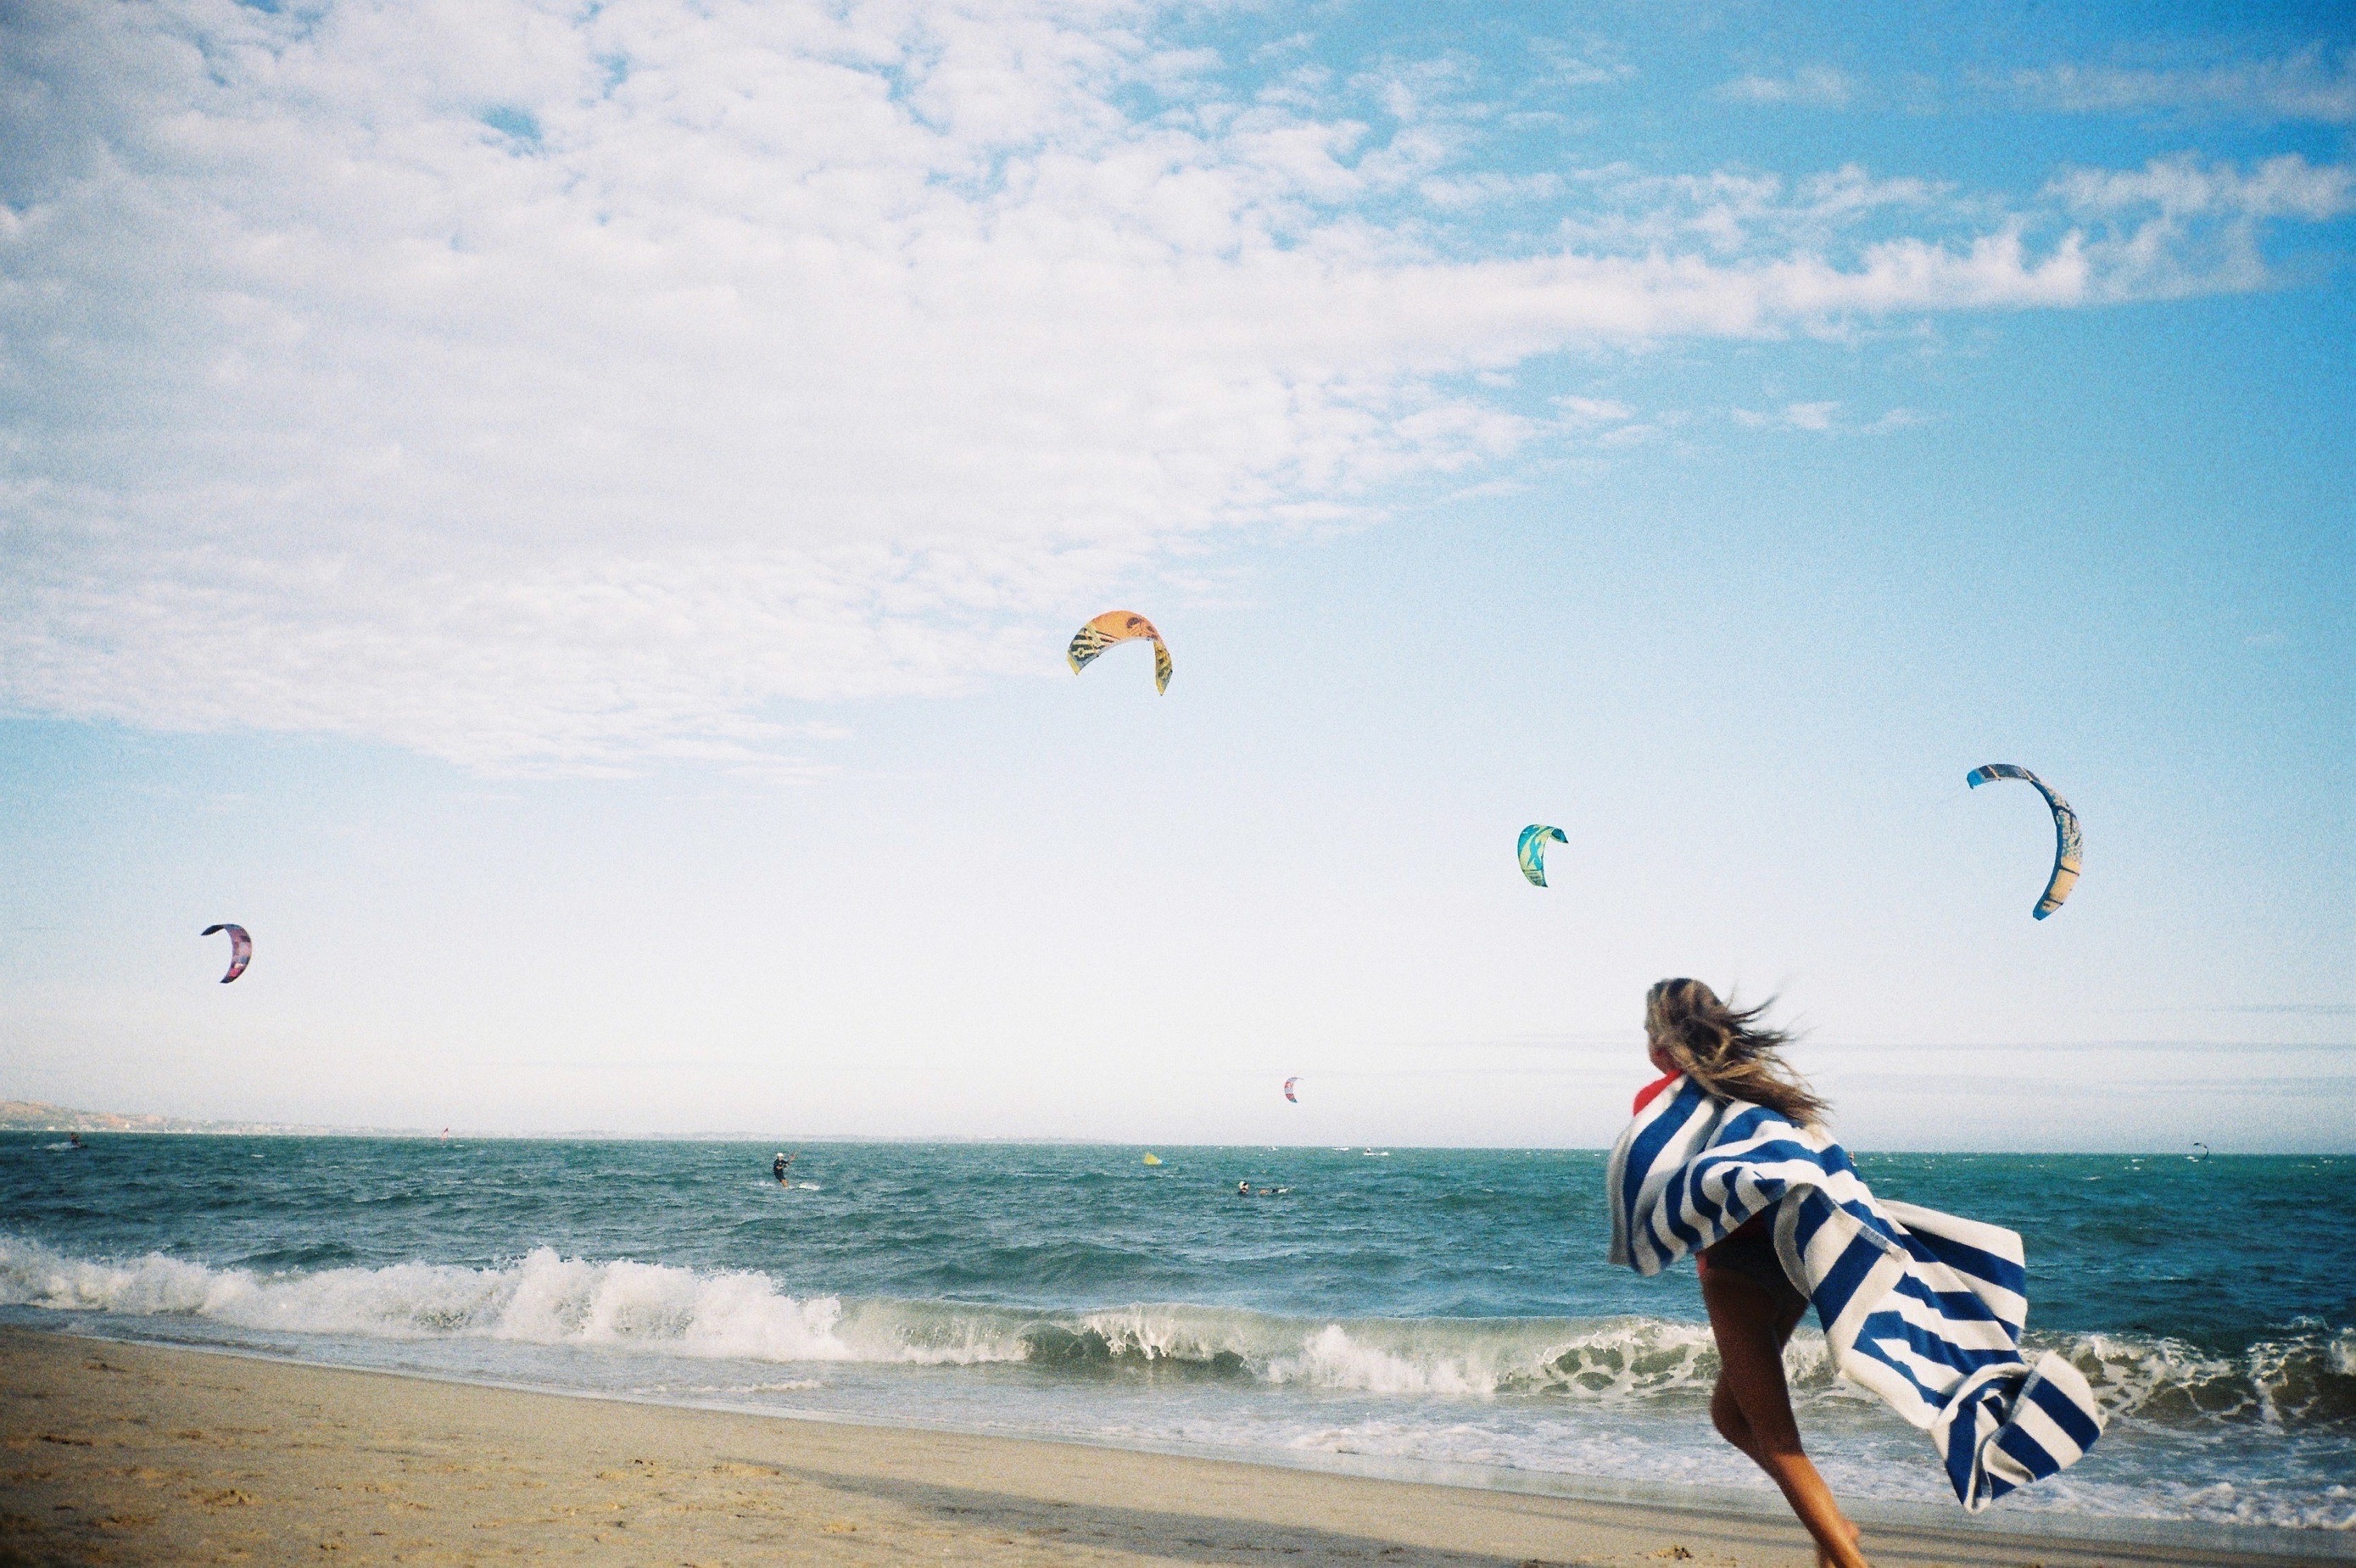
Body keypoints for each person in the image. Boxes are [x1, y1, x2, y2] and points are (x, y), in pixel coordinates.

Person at [1631, 979, 1867, 1568]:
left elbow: (1658, 1190)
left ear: (1663, 1039)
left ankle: (1846, 1552)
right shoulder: (1763, 1098)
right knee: (1729, 1414)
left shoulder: (1660, 1101)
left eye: (1646, 1030)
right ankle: (1833, 1523)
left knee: (1779, 1440)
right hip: (1794, 1270)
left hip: (1734, 1273)